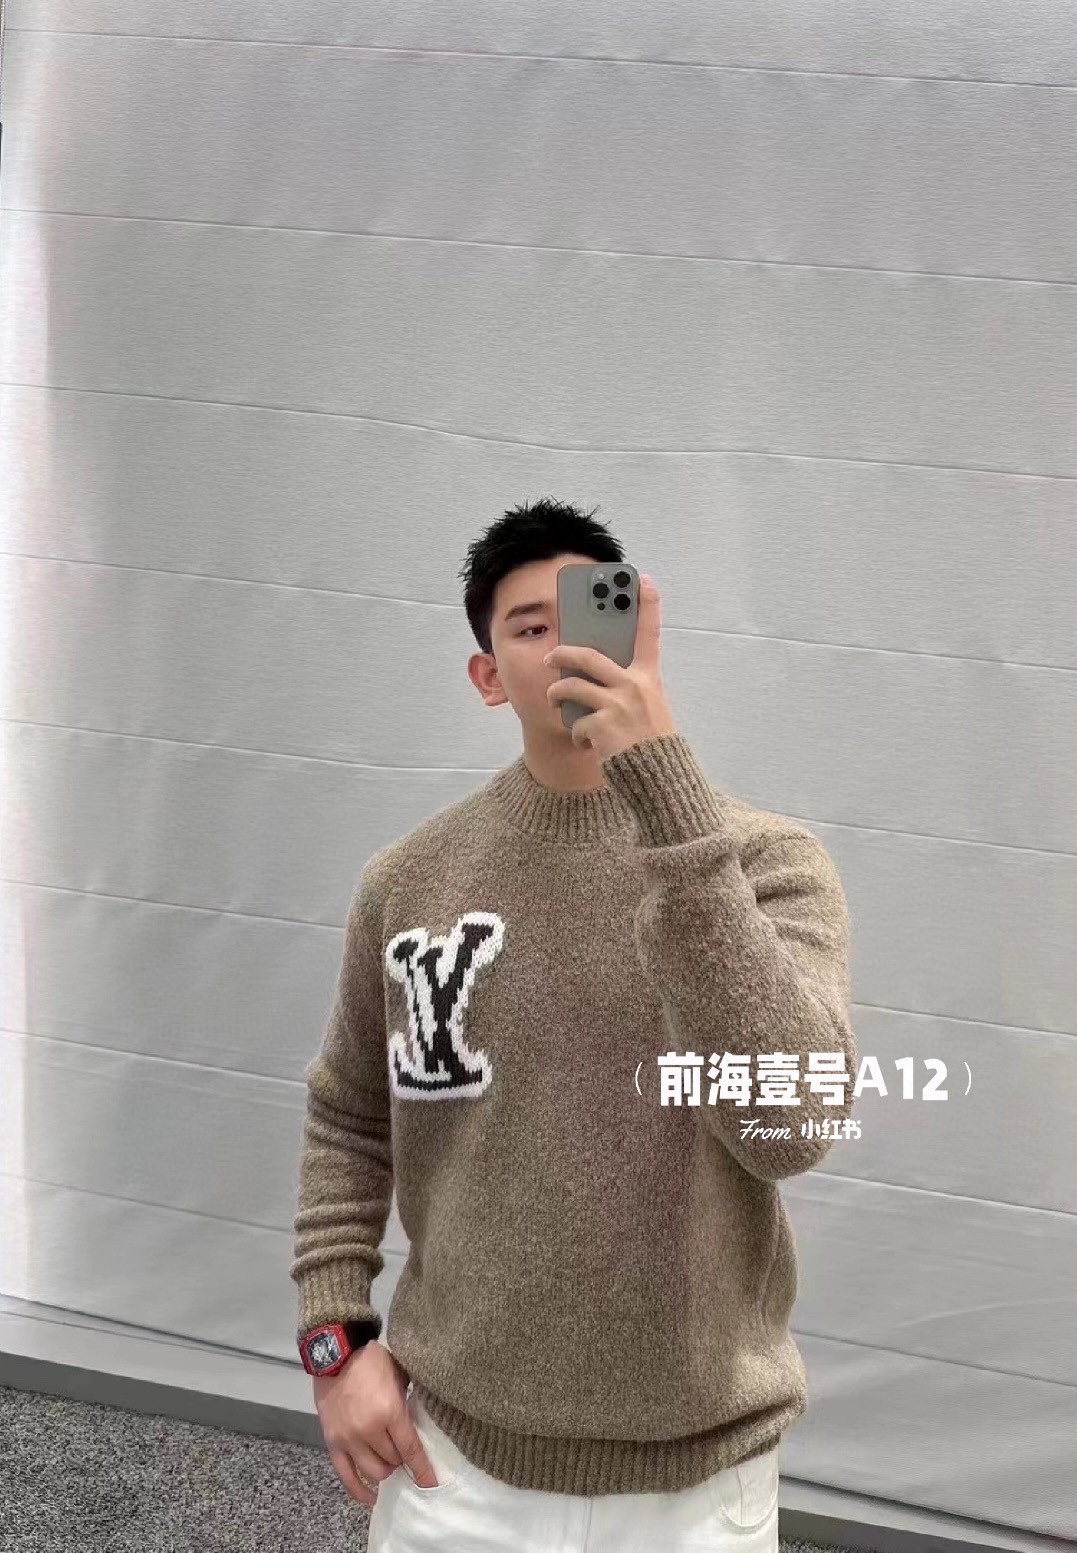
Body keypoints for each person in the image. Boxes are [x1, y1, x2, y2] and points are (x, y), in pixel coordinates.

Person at [289, 497, 857, 1551]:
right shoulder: (408, 882)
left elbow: (792, 1127)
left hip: (700, 1485)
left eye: (590, 614)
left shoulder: (767, 863)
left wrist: (670, 801)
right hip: (454, 1459)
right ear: (487, 675)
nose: (563, 647)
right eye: (529, 625)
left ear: (640, 635)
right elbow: (349, 1118)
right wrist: (336, 1341)